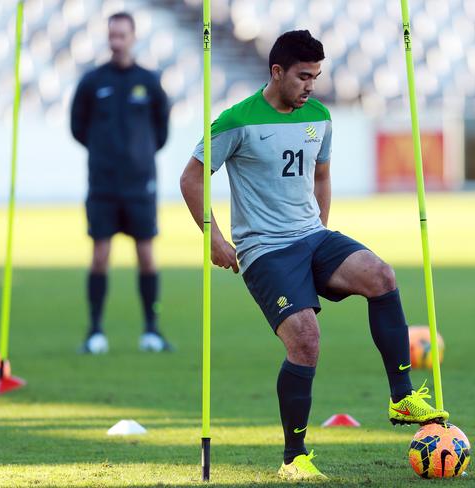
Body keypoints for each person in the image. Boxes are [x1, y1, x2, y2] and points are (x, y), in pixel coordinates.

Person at [180, 30, 448, 480]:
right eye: (303, 76)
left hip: (312, 236)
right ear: (277, 71)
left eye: (316, 77)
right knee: (306, 340)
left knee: (380, 275)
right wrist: (214, 239)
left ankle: (402, 397)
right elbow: (192, 178)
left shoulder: (320, 117)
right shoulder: (236, 120)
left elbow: (322, 176)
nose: (310, 85)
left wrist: (320, 230)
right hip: (265, 249)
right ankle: (294, 458)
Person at [71, 12, 172, 353]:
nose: (116, 42)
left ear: (133, 37)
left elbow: (161, 131)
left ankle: (151, 330)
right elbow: (78, 127)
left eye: (122, 35)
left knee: (146, 255)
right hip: (102, 186)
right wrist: (105, 155)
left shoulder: (149, 81)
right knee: (100, 256)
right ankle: (95, 330)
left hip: (140, 185)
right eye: (112, 35)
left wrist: (137, 156)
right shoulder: (92, 81)